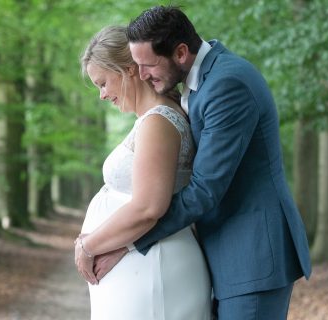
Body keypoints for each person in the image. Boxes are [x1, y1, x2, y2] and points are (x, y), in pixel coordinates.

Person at [83, 5, 313, 320]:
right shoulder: (199, 83)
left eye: (147, 66)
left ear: (180, 53)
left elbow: (205, 189)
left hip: (251, 255)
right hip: (220, 253)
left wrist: (127, 242)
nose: (142, 75)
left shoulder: (227, 84)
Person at [75, 25, 212, 319]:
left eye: (102, 83)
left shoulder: (158, 122)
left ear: (129, 70)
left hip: (156, 266)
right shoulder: (152, 120)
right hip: (146, 266)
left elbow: (148, 208)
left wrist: (88, 246)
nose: (102, 95)